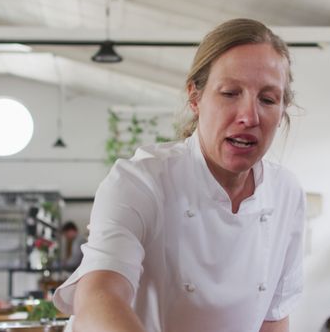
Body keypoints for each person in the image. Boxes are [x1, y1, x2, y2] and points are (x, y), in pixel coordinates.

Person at [53, 18, 306, 332]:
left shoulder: (287, 193)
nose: (249, 116)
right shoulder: (141, 180)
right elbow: (99, 296)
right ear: (195, 97)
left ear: (282, 111)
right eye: (230, 93)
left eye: (268, 99)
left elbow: (274, 317)